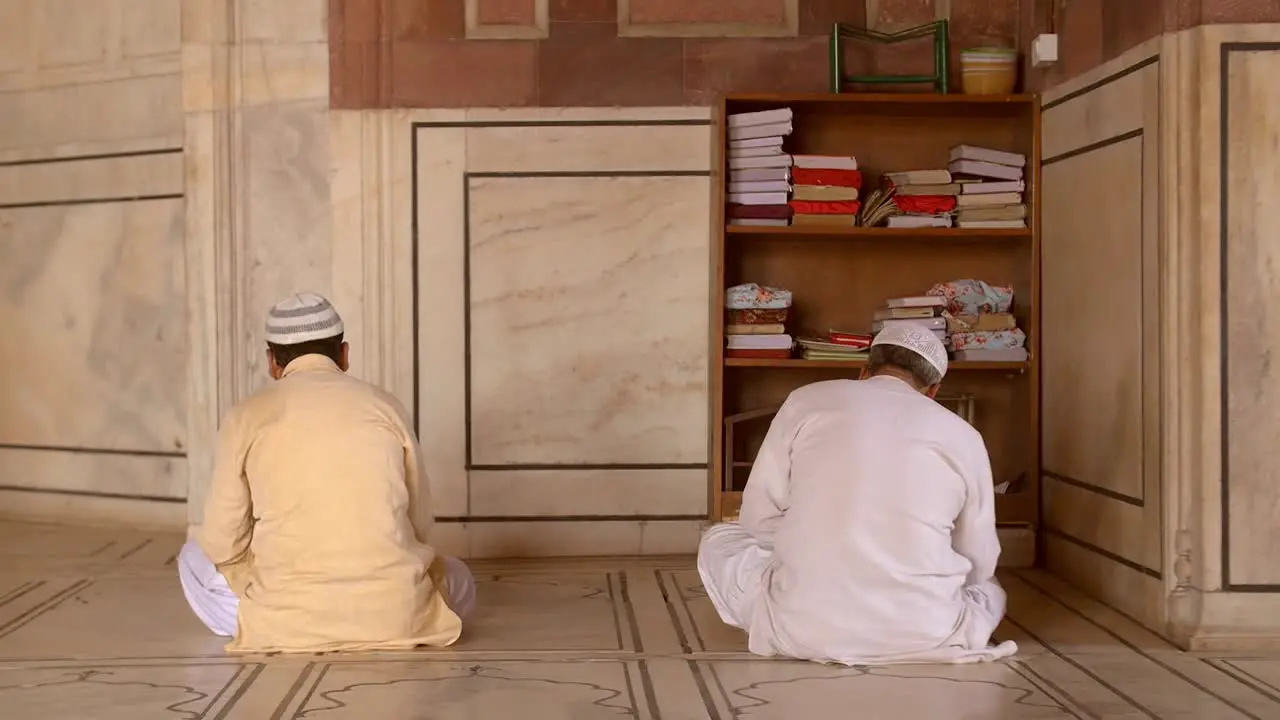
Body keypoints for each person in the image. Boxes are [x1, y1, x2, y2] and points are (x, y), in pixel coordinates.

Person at [697, 323, 1017, 665]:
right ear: (934, 390)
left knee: (719, 539)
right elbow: (979, 557)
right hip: (928, 630)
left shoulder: (806, 400)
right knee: (990, 588)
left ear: (864, 371)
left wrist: (814, 544)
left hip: (803, 628)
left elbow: (758, 517)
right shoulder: (964, 434)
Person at [177, 292, 476, 653]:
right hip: (394, 615)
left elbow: (222, 542)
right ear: (344, 355)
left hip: (285, 620)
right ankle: (398, 619)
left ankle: (275, 623)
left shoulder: (246, 415)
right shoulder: (385, 406)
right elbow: (419, 521)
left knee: (192, 558)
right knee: (459, 576)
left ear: (273, 362)